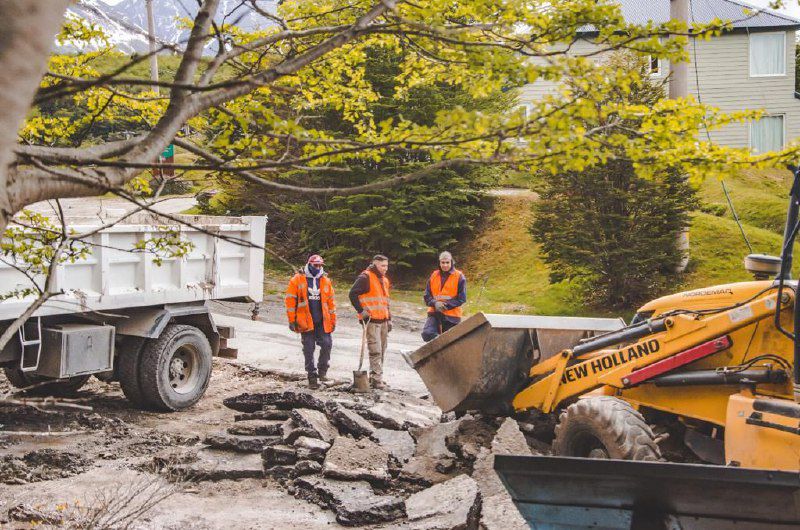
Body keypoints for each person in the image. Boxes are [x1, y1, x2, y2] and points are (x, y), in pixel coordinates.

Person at [285, 254, 336, 389]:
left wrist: (333, 320)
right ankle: (311, 376)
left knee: (327, 344)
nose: (318, 267)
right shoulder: (297, 279)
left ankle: (323, 371)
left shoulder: (325, 281)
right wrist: (291, 320)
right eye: (315, 265)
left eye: (320, 265)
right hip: (305, 321)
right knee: (308, 349)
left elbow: (331, 303)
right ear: (309, 264)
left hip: (322, 321)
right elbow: (290, 301)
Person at [349, 255, 392, 389]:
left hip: (383, 320)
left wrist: (389, 318)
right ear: (375, 264)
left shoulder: (384, 280)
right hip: (371, 320)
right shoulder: (365, 277)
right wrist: (361, 311)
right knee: (375, 350)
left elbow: (385, 301)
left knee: (382, 350)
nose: (385, 269)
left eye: (386, 266)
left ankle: (376, 377)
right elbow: (352, 294)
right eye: (382, 266)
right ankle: (376, 380)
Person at [422, 251, 466, 342]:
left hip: (452, 317)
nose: (445, 265)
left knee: (450, 343)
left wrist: (445, 306)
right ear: (439, 263)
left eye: (447, 262)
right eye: (443, 262)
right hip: (434, 313)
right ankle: (440, 343)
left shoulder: (459, 277)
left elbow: (462, 299)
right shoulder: (434, 275)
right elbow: (427, 296)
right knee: (427, 334)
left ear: (451, 262)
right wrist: (435, 303)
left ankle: (442, 345)